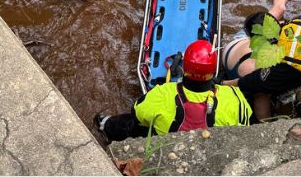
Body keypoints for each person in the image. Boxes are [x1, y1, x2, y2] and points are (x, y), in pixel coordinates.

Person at [94, 40, 253, 139]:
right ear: (213, 71)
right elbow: (245, 125)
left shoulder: (162, 93)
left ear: (184, 69)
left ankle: (104, 125)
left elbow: (137, 112)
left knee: (132, 123)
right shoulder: (234, 97)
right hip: (212, 148)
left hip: (166, 143)